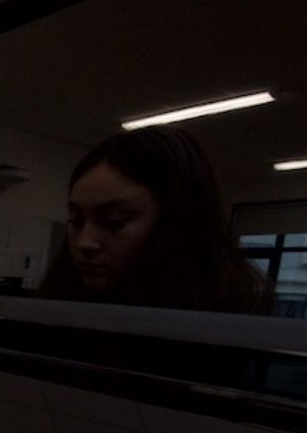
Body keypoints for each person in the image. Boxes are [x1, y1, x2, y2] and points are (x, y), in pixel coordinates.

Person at [40, 126, 270, 312]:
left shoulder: (224, 328)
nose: (84, 242)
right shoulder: (54, 308)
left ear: (177, 224)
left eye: (114, 220)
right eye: (76, 220)